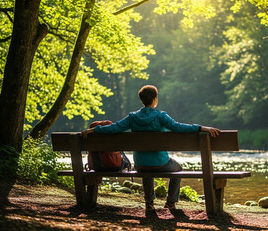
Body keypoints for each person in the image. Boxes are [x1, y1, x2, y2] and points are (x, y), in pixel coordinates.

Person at [81, 85, 220, 211]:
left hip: (140, 165)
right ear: (155, 99)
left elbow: (114, 128)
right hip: (161, 163)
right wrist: (201, 127)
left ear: (142, 100)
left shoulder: (132, 117)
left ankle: (149, 203)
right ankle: (171, 202)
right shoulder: (161, 116)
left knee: (146, 165)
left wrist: (94, 130)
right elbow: (178, 127)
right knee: (178, 168)